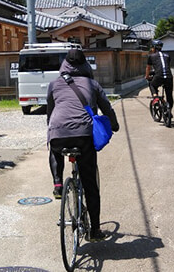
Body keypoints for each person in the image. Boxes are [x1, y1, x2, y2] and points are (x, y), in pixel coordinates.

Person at [46, 48, 119, 242]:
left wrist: (52, 130)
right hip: (83, 136)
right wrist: (114, 124)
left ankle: (58, 183)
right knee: (90, 185)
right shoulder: (92, 84)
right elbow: (106, 108)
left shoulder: (54, 84)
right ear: (85, 64)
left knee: (53, 146)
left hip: (58, 133)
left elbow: (50, 112)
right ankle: (94, 231)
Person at [145, 39, 174, 116]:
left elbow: (148, 68)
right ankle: (169, 111)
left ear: (154, 48)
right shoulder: (167, 56)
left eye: (152, 47)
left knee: (152, 84)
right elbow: (164, 67)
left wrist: (147, 76)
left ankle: (155, 97)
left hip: (158, 76)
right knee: (169, 95)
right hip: (169, 77)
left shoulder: (151, 56)